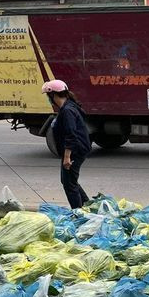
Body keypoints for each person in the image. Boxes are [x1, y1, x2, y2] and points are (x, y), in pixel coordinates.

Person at [42, 79, 91, 209]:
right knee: (69, 181)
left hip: (75, 150)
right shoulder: (69, 106)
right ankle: (87, 206)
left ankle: (78, 213)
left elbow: (71, 134)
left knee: (69, 184)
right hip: (79, 148)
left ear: (53, 95)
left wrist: (67, 157)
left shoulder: (67, 110)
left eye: (48, 96)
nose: (49, 99)